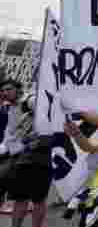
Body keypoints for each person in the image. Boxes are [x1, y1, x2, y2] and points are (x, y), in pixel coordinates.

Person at [1, 91, 53, 227]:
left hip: (42, 161)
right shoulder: (24, 117)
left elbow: (50, 139)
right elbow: (15, 137)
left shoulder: (50, 118)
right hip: (23, 162)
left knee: (38, 201)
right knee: (21, 200)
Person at [0, 79, 23, 214]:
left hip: (19, 152)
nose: (5, 93)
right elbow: (9, 131)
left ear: (18, 90)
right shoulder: (8, 107)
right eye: (3, 90)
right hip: (7, 149)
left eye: (8, 89)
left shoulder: (28, 104)